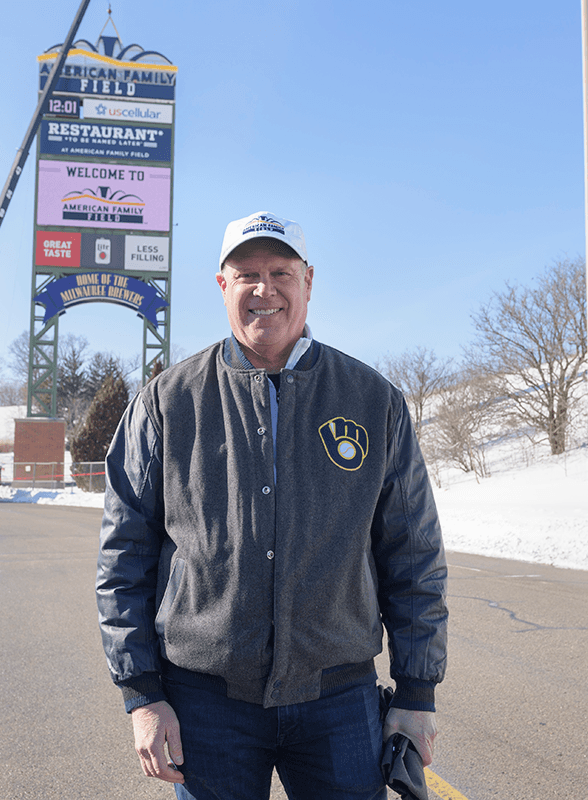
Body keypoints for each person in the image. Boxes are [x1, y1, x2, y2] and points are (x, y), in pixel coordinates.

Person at [97, 211, 448, 799]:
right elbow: (123, 555)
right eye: (247, 274)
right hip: (207, 705)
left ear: (308, 280)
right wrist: (142, 694)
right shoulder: (167, 402)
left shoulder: (372, 400)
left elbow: (413, 556)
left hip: (339, 701)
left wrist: (416, 694)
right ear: (222, 285)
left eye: (281, 271)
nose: (265, 289)